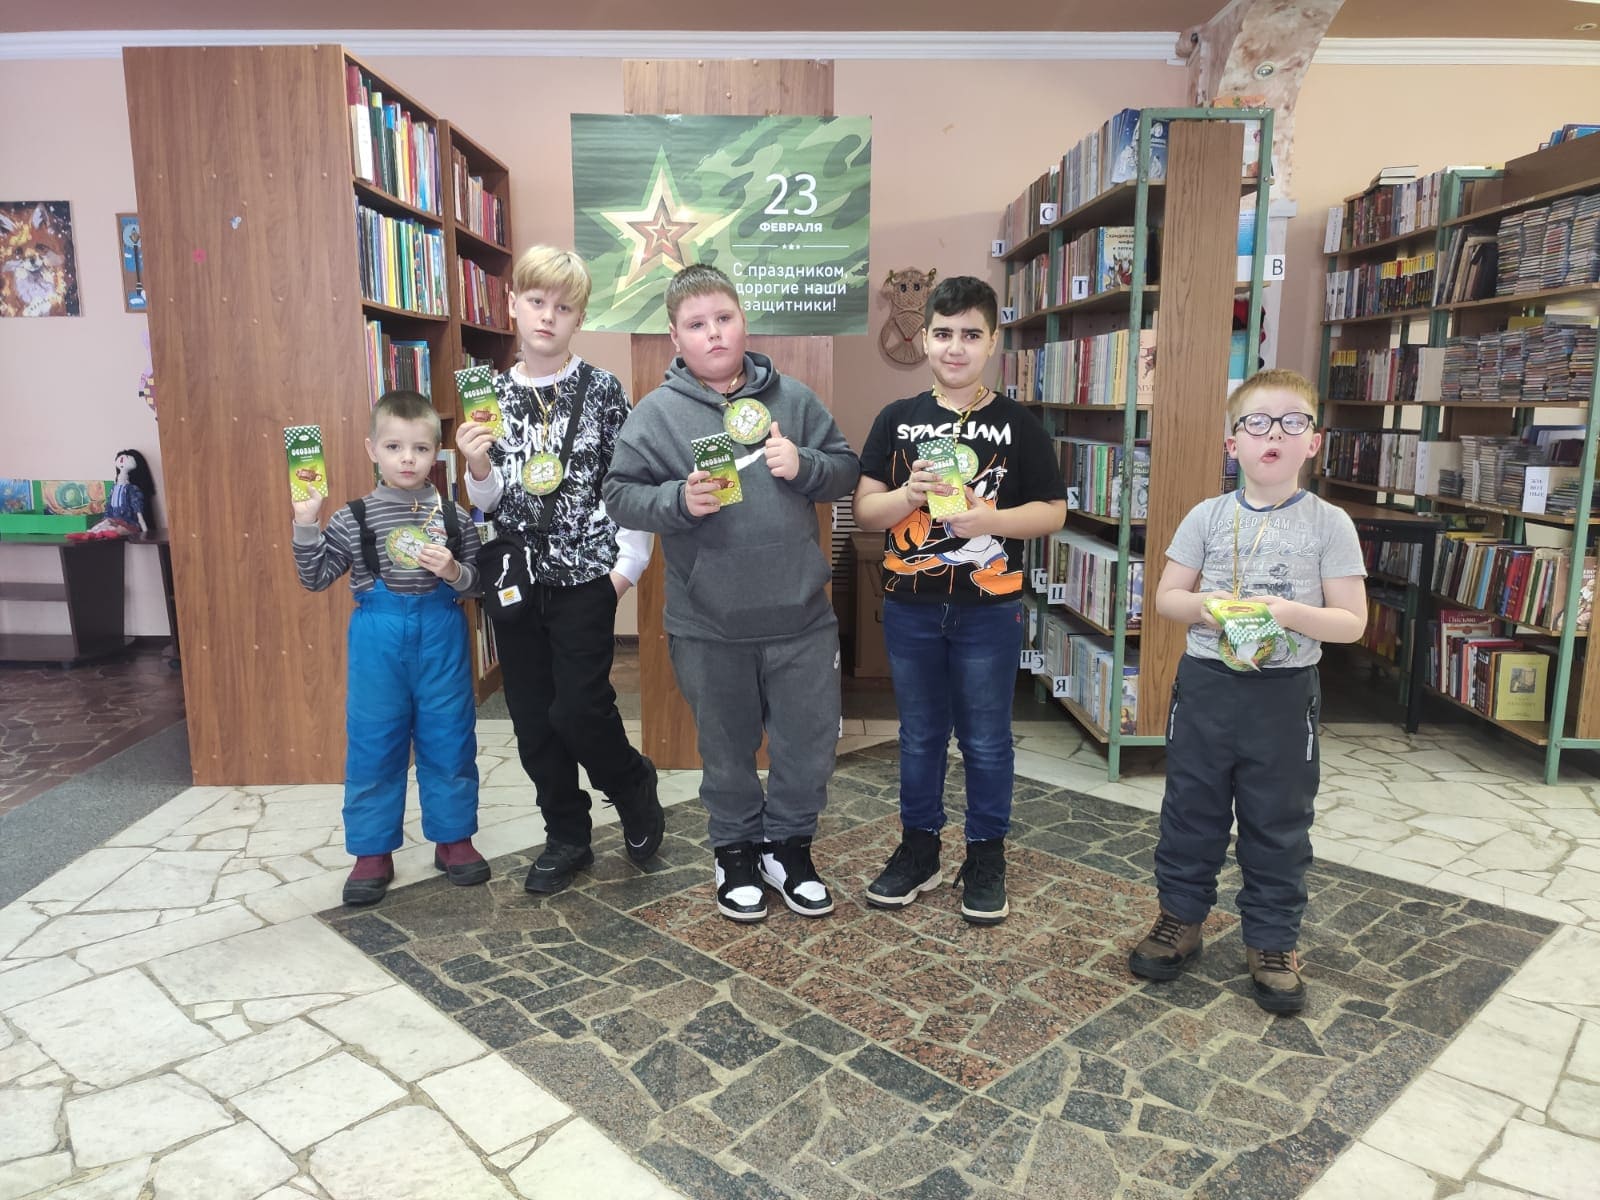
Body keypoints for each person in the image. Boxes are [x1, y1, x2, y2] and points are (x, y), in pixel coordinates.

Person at [603, 263, 860, 922]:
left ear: (744, 322)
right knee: (725, 751)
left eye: (724, 318)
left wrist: (805, 466)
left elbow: (845, 471)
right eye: (696, 324)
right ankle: (736, 851)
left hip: (801, 618)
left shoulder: (795, 400)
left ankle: (788, 848)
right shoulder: (656, 415)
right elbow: (620, 494)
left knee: (807, 747)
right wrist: (676, 500)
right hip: (710, 624)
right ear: (675, 337)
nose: (713, 333)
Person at [1128, 367, 1366, 1013]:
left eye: (1292, 422)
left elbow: (1351, 622)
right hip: (1207, 687)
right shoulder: (1207, 516)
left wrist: (1286, 614)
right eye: (1257, 422)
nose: (1274, 434)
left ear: (1313, 442)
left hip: (1284, 696)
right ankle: (1180, 918)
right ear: (1232, 443)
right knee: (1191, 809)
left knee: (1279, 820)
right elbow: (1167, 598)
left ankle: (1272, 940)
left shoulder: (1330, 524)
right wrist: (1211, 609)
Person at [853, 275, 1067, 925]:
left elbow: (1053, 512)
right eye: (943, 334)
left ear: (993, 342)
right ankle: (920, 848)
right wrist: (909, 496)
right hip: (911, 607)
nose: (955, 347)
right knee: (919, 734)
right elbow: (865, 511)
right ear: (923, 339)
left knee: (986, 738)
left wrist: (991, 521)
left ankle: (985, 853)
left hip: (988, 610)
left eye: (971, 334)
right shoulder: (896, 420)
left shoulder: (1019, 424)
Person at [458, 245, 662, 896]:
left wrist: (625, 569)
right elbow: (488, 501)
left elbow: (629, 485)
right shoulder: (488, 395)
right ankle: (567, 834)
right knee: (532, 718)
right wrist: (477, 466)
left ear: (580, 317)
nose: (548, 316)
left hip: (586, 579)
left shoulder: (603, 391)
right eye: (537, 301)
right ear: (513, 305)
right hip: (515, 581)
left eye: (564, 307)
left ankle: (631, 783)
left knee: (578, 709)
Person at [293, 389, 485, 906]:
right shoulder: (351, 517)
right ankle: (372, 850)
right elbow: (315, 577)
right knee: (373, 740)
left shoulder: (453, 517)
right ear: (371, 449)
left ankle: (454, 838)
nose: (407, 459)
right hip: (377, 639)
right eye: (394, 447)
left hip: (441, 634)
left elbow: (476, 585)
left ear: (437, 453)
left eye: (420, 449)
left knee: (450, 737)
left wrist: (453, 571)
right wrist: (306, 521)